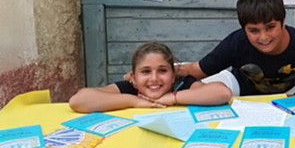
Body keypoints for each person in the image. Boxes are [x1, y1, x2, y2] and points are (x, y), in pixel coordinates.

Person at [69, 42, 232, 113]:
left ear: (173, 75)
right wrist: (134, 101)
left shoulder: (182, 86)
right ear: (133, 77)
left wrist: (174, 97)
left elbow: (222, 93)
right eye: (145, 72)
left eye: (162, 71)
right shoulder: (129, 89)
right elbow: (78, 100)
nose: (154, 78)